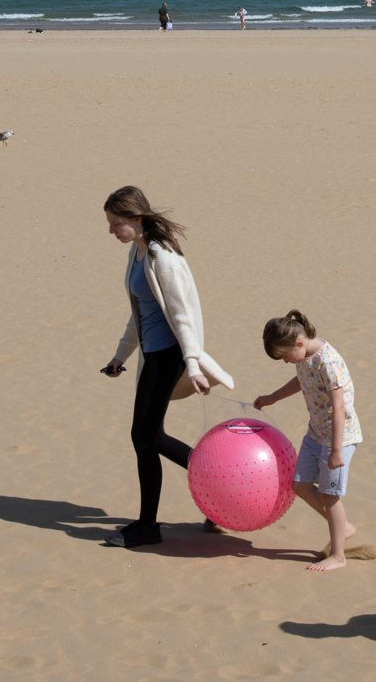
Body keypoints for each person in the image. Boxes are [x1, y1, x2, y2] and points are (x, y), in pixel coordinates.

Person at [98, 186, 235, 548]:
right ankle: (219, 484)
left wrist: (192, 365)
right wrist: (120, 356)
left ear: (136, 218)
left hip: (170, 355)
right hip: (153, 354)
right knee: (151, 436)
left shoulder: (163, 259)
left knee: (143, 437)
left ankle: (148, 526)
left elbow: (182, 316)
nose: (111, 230)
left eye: (116, 223)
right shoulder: (137, 252)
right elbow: (140, 312)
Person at [254, 309, 362, 571]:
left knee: (329, 495)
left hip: (339, 438)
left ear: (298, 342)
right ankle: (344, 527)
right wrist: (273, 397)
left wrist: (336, 450)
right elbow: (302, 379)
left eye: (285, 356)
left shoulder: (328, 362)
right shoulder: (304, 356)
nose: (286, 362)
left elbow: (339, 408)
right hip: (316, 433)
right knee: (300, 485)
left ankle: (338, 556)